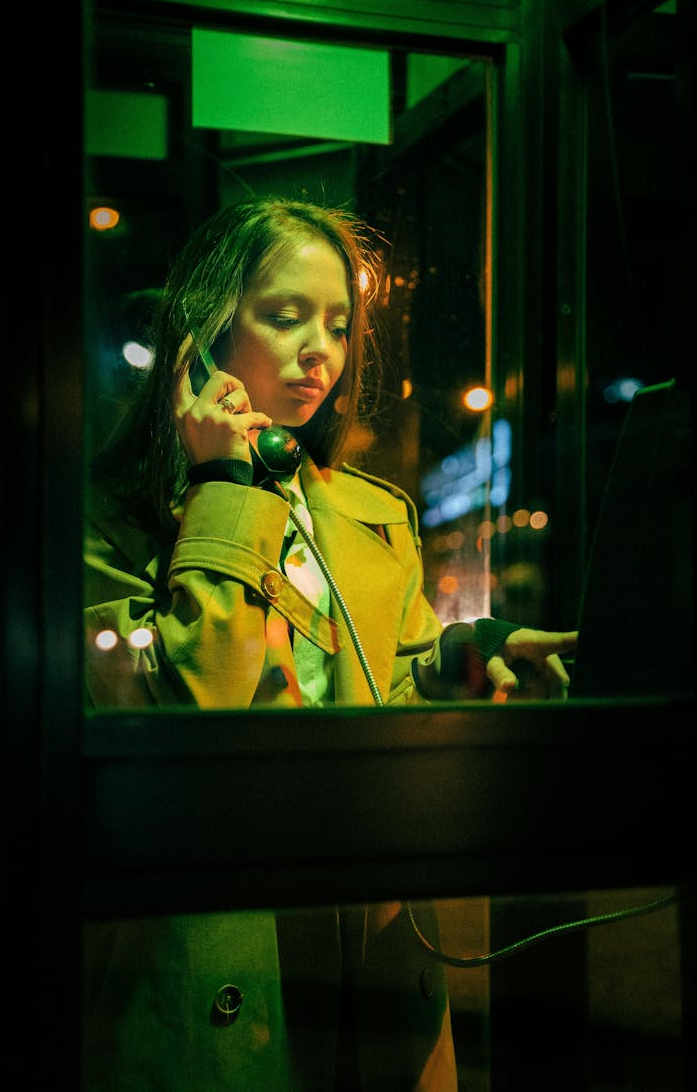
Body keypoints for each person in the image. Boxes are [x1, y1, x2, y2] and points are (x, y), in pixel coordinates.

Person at [82, 196, 578, 1090]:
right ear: (203, 333)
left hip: (373, 946)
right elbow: (192, 707)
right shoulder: (107, 521)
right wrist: (227, 485)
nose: (321, 348)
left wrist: (473, 661)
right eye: (285, 316)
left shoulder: (370, 515)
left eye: (340, 324)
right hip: (222, 943)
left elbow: (394, 686)